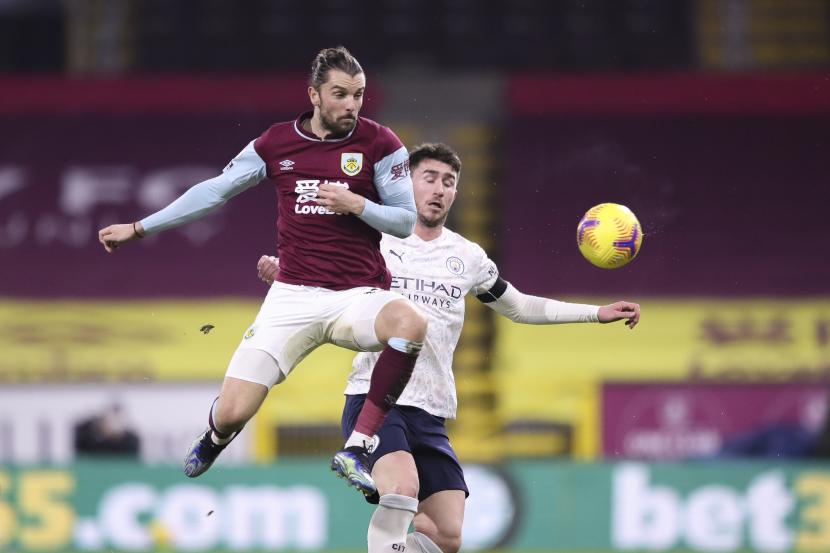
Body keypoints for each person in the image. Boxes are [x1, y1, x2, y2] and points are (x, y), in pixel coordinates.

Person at [257, 143, 641, 553]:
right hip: (376, 399)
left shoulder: (467, 256)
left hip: (431, 410)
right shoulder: (376, 241)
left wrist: (595, 312)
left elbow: (519, 305)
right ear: (408, 184)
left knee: (447, 535)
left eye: (449, 182)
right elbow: (325, 283)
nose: (439, 189)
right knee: (401, 490)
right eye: (430, 178)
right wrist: (288, 276)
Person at [97, 46, 429, 496]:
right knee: (233, 413)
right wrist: (139, 228)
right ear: (314, 94)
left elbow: (406, 222)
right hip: (291, 296)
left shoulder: (381, 144)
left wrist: (359, 205)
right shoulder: (275, 143)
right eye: (340, 94)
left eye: (358, 95)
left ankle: (356, 446)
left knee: (411, 323)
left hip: (357, 296)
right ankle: (215, 438)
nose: (351, 105)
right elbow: (215, 190)